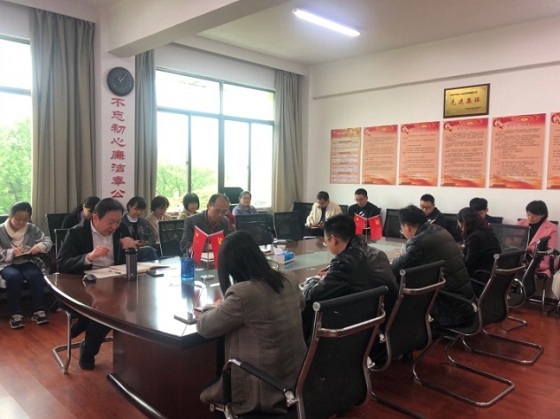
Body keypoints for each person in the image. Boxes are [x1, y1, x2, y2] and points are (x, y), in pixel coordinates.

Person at [197, 230, 306, 415]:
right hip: (296, 380)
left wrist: (210, 309)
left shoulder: (242, 294)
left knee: (207, 386)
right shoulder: (289, 278)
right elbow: (301, 305)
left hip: (262, 388)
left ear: (229, 268)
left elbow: (204, 327)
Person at [57, 198, 137, 370]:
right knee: (108, 309)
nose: (115, 227)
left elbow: (128, 260)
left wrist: (130, 248)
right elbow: (62, 264)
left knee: (134, 304)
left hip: (115, 282)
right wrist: (89, 257)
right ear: (95, 218)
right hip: (83, 284)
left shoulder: (122, 230)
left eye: (118, 222)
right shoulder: (77, 232)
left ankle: (84, 324)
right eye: (110, 222)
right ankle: (89, 350)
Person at [391, 205, 476, 328]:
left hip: (450, 310)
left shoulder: (419, 242)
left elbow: (394, 270)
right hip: (466, 302)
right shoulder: (440, 230)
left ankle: (400, 330)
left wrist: (402, 256)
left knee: (398, 285)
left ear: (407, 227)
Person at [303, 214, 397, 316]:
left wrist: (314, 280)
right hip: (387, 316)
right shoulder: (378, 253)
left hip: (360, 321)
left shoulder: (343, 263)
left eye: (326, 241)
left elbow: (312, 296)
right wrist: (331, 273)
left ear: (333, 240)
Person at [0, 202, 53, 329]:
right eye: (18, 219)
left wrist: (39, 247)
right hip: (6, 264)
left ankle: (38, 310)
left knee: (36, 275)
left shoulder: (31, 228)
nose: (21, 222)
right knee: (14, 277)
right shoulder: (1, 230)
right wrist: (11, 252)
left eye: (25, 219)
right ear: (11, 215)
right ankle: (15, 314)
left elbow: (48, 241)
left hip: (27, 261)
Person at [457, 207, 502, 295]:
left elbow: (468, 266)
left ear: (463, 223)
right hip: (494, 278)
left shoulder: (475, 237)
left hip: (481, 281)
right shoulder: (486, 232)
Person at [517, 200, 558, 277]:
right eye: (528, 214)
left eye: (535, 216)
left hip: (538, 259)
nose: (530, 218)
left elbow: (551, 249)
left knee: (521, 270)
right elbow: (512, 240)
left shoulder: (552, 228)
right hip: (519, 256)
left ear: (542, 215)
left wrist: (531, 249)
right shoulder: (521, 223)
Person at [121, 196, 158, 261]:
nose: (139, 212)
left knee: (149, 251)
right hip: (128, 252)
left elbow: (153, 238)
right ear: (129, 207)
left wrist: (145, 243)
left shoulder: (144, 222)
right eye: (136, 209)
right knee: (149, 251)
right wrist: (133, 243)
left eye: (141, 210)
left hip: (144, 250)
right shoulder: (121, 222)